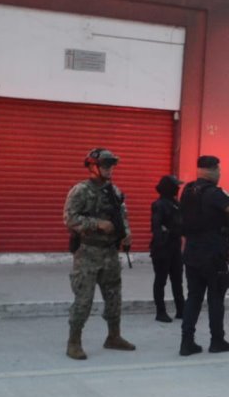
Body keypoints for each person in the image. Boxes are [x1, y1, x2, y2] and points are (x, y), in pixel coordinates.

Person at [63, 148, 135, 360]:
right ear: (93, 166)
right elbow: (69, 219)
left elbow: (123, 217)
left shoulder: (114, 191)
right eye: (105, 164)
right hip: (87, 252)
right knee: (84, 300)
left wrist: (126, 234)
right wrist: (97, 224)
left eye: (112, 165)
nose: (110, 169)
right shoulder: (80, 190)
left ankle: (114, 336)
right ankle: (73, 342)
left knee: (114, 297)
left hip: (109, 252)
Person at [179, 155, 229, 356]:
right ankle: (217, 340)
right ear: (214, 170)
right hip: (212, 254)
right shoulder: (214, 193)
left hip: (191, 252)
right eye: (218, 170)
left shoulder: (188, 190)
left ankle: (187, 342)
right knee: (216, 298)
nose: (220, 173)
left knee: (193, 297)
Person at [150, 174, 184, 323]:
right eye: (175, 186)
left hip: (175, 246)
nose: (178, 189)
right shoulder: (160, 205)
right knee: (161, 280)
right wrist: (164, 240)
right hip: (163, 248)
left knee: (177, 279)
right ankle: (160, 311)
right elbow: (156, 227)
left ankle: (181, 310)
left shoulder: (175, 203)